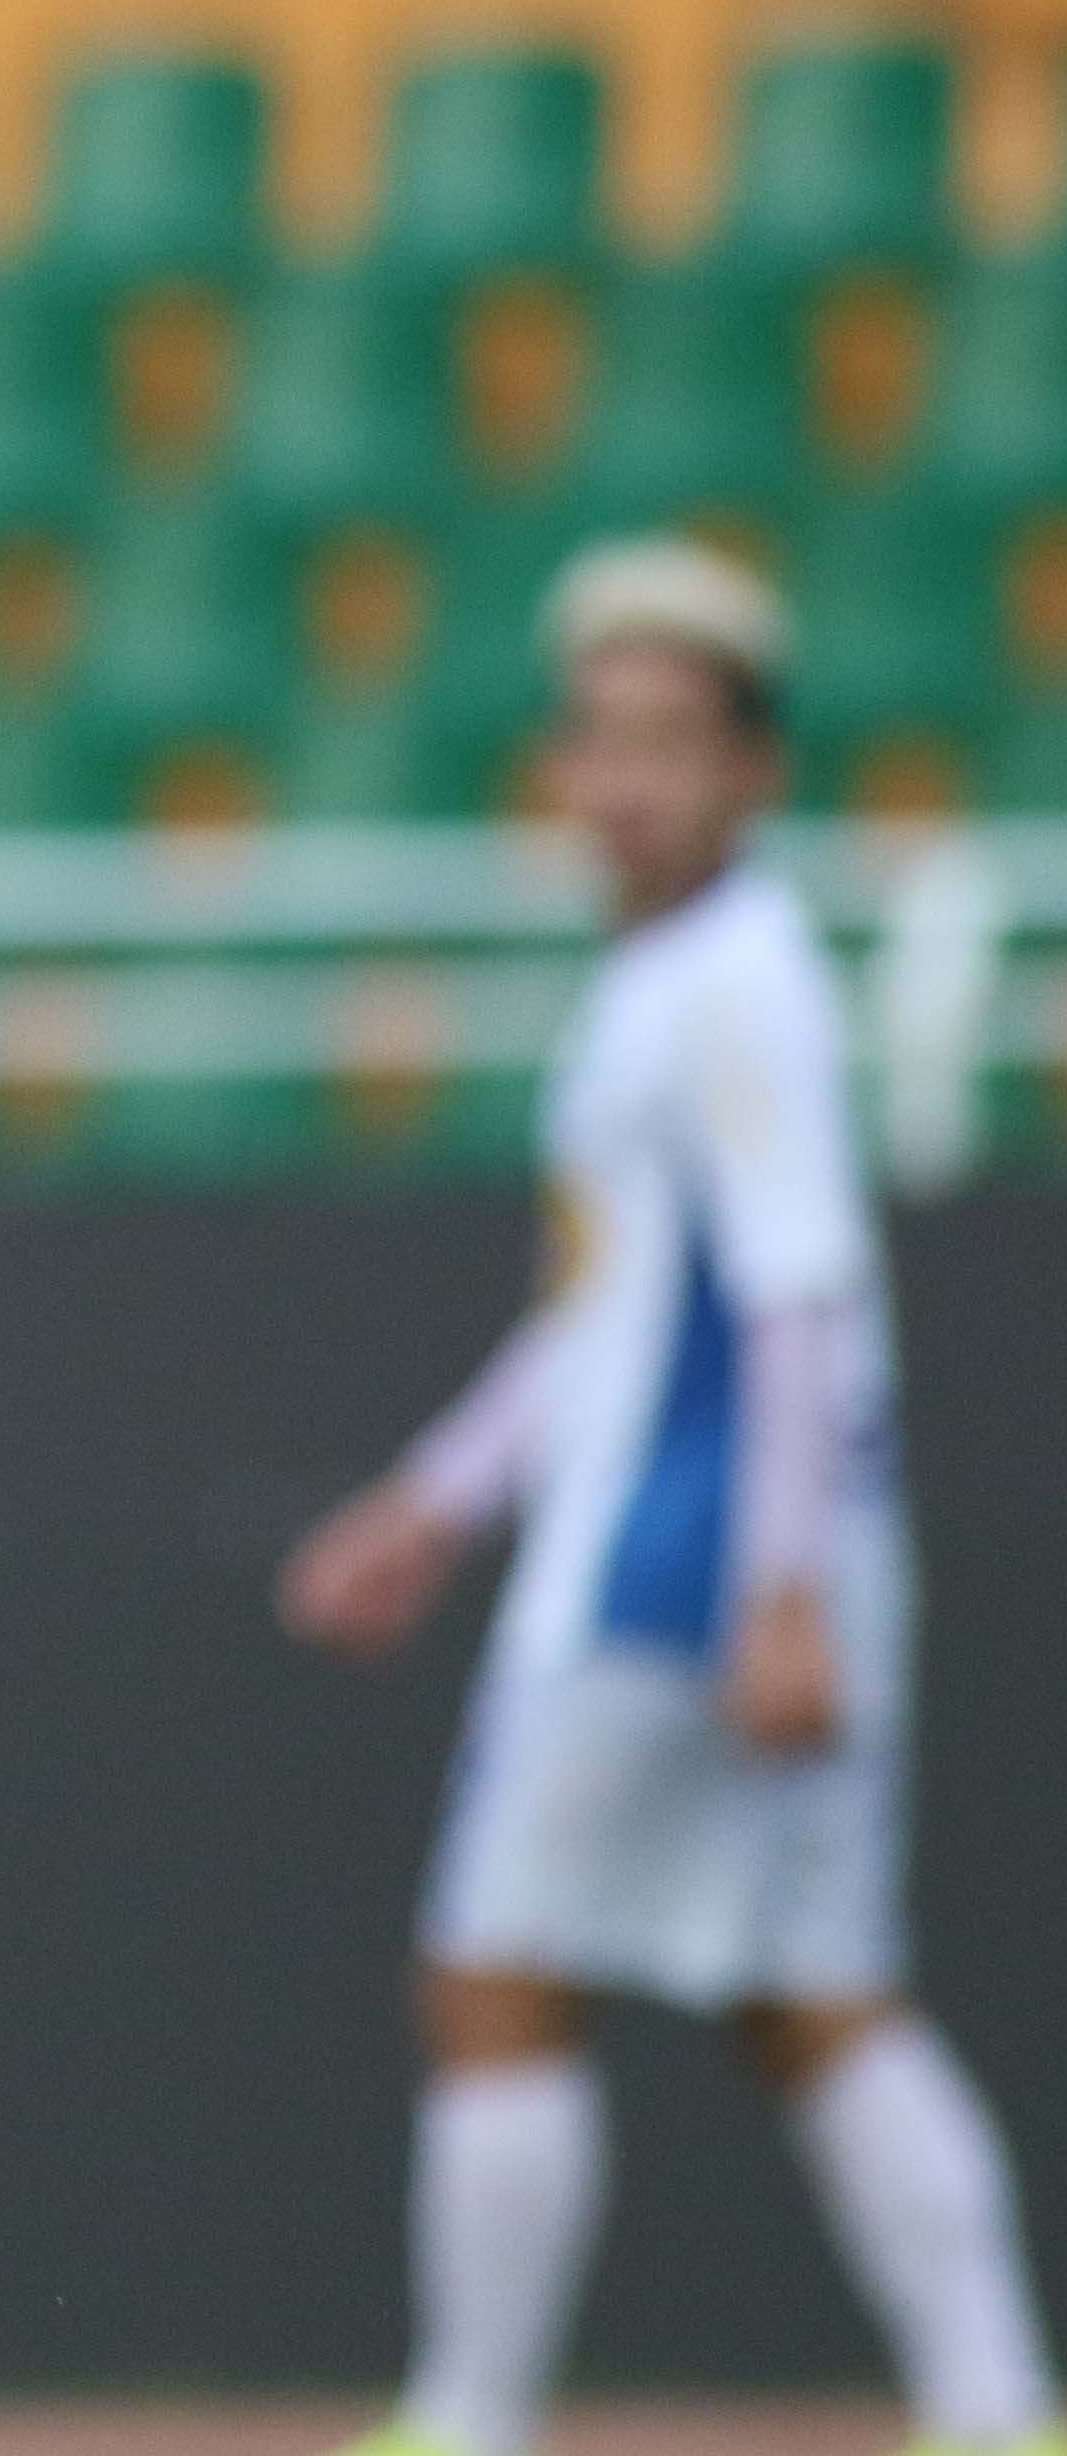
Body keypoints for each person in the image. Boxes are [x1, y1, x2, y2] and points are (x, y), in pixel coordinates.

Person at [281, 537, 1055, 2456]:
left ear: (754, 770)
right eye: (596, 739)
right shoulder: (685, 981)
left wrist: (773, 1591)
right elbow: (611, 1313)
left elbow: (797, 1294)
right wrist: (437, 1500)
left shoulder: (728, 992)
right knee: (814, 1996)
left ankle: (467, 2421)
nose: (622, 781)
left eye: (670, 742)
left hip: (675, 1567)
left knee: (494, 1978)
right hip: (762, 1557)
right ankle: (996, 2408)